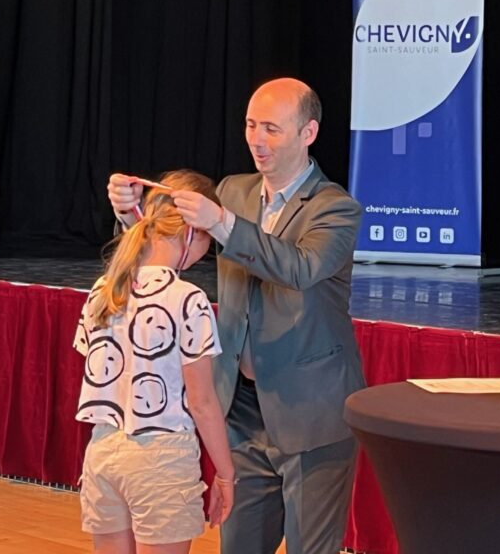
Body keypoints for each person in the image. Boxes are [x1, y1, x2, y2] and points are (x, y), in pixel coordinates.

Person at [108, 78, 365, 554]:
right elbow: (175, 248)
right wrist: (131, 217)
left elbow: (299, 268)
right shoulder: (233, 191)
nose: (257, 140)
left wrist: (222, 222)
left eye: (271, 129)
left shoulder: (336, 208)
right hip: (242, 408)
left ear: (308, 133)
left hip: (310, 411)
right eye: (250, 125)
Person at [76, 170, 235, 554]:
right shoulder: (188, 298)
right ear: (193, 231)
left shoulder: (103, 288)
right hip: (162, 458)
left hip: (102, 452)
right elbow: (202, 401)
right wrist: (226, 474)